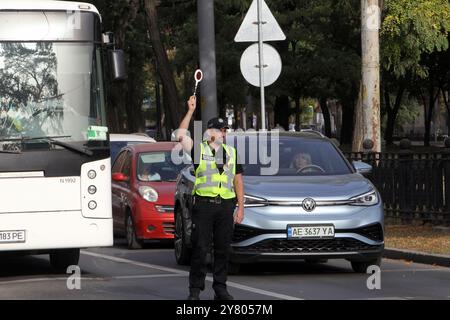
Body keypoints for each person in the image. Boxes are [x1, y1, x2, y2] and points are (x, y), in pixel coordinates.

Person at [176, 96, 245, 301]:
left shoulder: (231, 153)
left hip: (225, 207)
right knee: (200, 248)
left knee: (223, 249)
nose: (224, 134)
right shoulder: (199, 149)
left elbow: (238, 181)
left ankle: (220, 289)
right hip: (204, 206)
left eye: (225, 131)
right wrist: (190, 111)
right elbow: (180, 135)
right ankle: (195, 290)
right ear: (210, 133)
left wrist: (241, 208)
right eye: (220, 130)